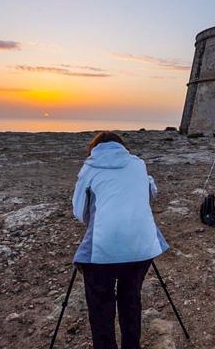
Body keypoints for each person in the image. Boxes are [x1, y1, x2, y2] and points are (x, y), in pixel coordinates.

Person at [72, 132, 169, 349]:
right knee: (131, 299)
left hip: (102, 249)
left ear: (94, 149)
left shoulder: (89, 169)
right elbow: (151, 191)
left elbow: (80, 212)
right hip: (141, 246)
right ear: (122, 147)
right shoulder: (138, 165)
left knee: (101, 307)